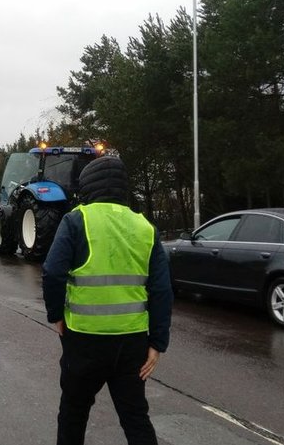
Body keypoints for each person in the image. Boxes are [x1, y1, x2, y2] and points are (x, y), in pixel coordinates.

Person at [42, 156, 173, 445]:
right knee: (136, 418)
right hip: (132, 342)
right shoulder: (145, 228)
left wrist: (56, 315)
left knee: (74, 413)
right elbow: (162, 290)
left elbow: (53, 272)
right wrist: (157, 343)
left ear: (87, 187)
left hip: (85, 339)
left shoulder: (77, 220)